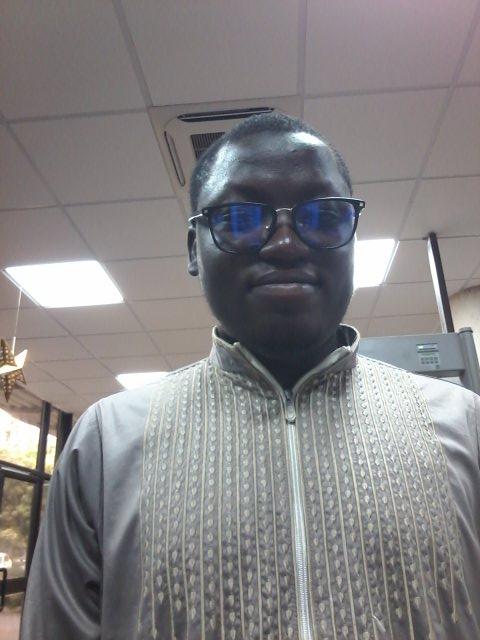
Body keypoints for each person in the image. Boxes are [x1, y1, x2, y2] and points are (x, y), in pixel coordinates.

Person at [21, 113, 480, 639]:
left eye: (323, 216)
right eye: (239, 218)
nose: (285, 244)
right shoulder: (106, 444)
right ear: (194, 249)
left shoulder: (464, 425)